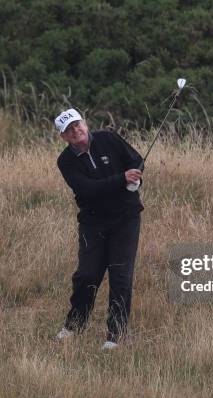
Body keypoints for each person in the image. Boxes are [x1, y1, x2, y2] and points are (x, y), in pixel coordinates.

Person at [54, 108, 144, 350]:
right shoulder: (65, 161)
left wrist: (136, 177)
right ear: (63, 137)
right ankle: (74, 325)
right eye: (69, 130)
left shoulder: (108, 139)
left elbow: (135, 160)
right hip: (93, 224)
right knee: (87, 276)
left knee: (120, 277)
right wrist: (121, 180)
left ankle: (115, 336)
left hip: (126, 219)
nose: (75, 131)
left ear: (85, 123)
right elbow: (87, 189)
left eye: (77, 125)